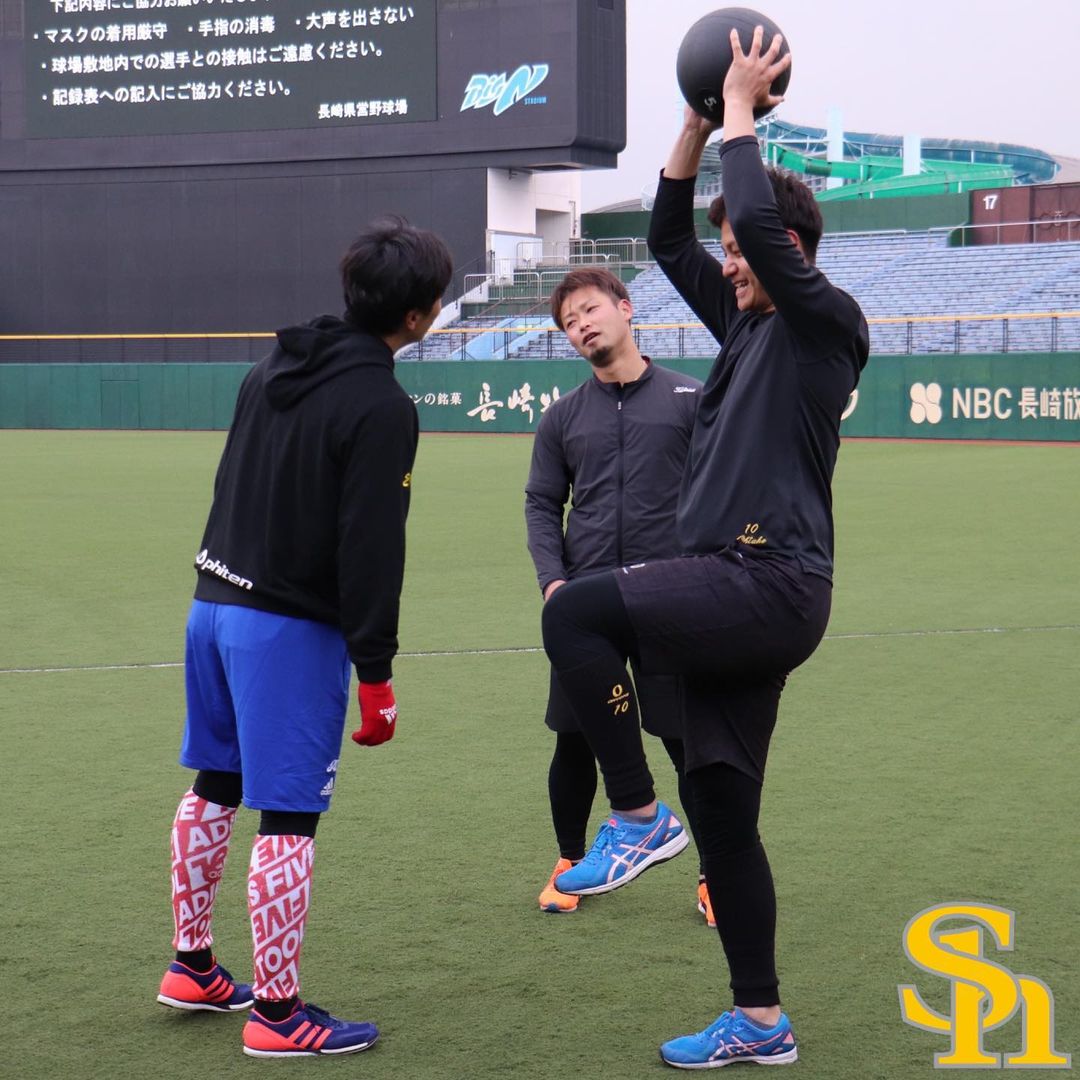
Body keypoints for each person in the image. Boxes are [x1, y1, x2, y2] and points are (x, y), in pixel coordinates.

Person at [540, 28, 868, 1069]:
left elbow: (757, 228)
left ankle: (634, 814)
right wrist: (691, 126)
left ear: (791, 252)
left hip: (767, 581)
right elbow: (670, 236)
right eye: (729, 254)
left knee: (575, 609)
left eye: (745, 251)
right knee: (725, 816)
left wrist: (737, 107)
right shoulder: (750, 329)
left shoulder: (824, 322)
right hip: (736, 592)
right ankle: (761, 1021)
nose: (728, 265)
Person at [155, 216, 452, 1058]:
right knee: (288, 814)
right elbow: (371, 548)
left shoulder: (270, 365)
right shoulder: (382, 405)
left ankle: (192, 965)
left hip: (212, 606)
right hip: (284, 629)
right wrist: (377, 673)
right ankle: (278, 1015)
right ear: (419, 315)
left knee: (215, 782)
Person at [525, 267, 710, 921]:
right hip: (588, 607)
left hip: (670, 598)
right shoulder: (562, 417)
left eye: (589, 309)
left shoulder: (691, 398)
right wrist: (554, 581)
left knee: (688, 740)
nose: (581, 325)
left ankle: (715, 873)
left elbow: (722, 490)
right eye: (569, 321)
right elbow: (542, 504)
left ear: (626, 309)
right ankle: (570, 863)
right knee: (575, 738)